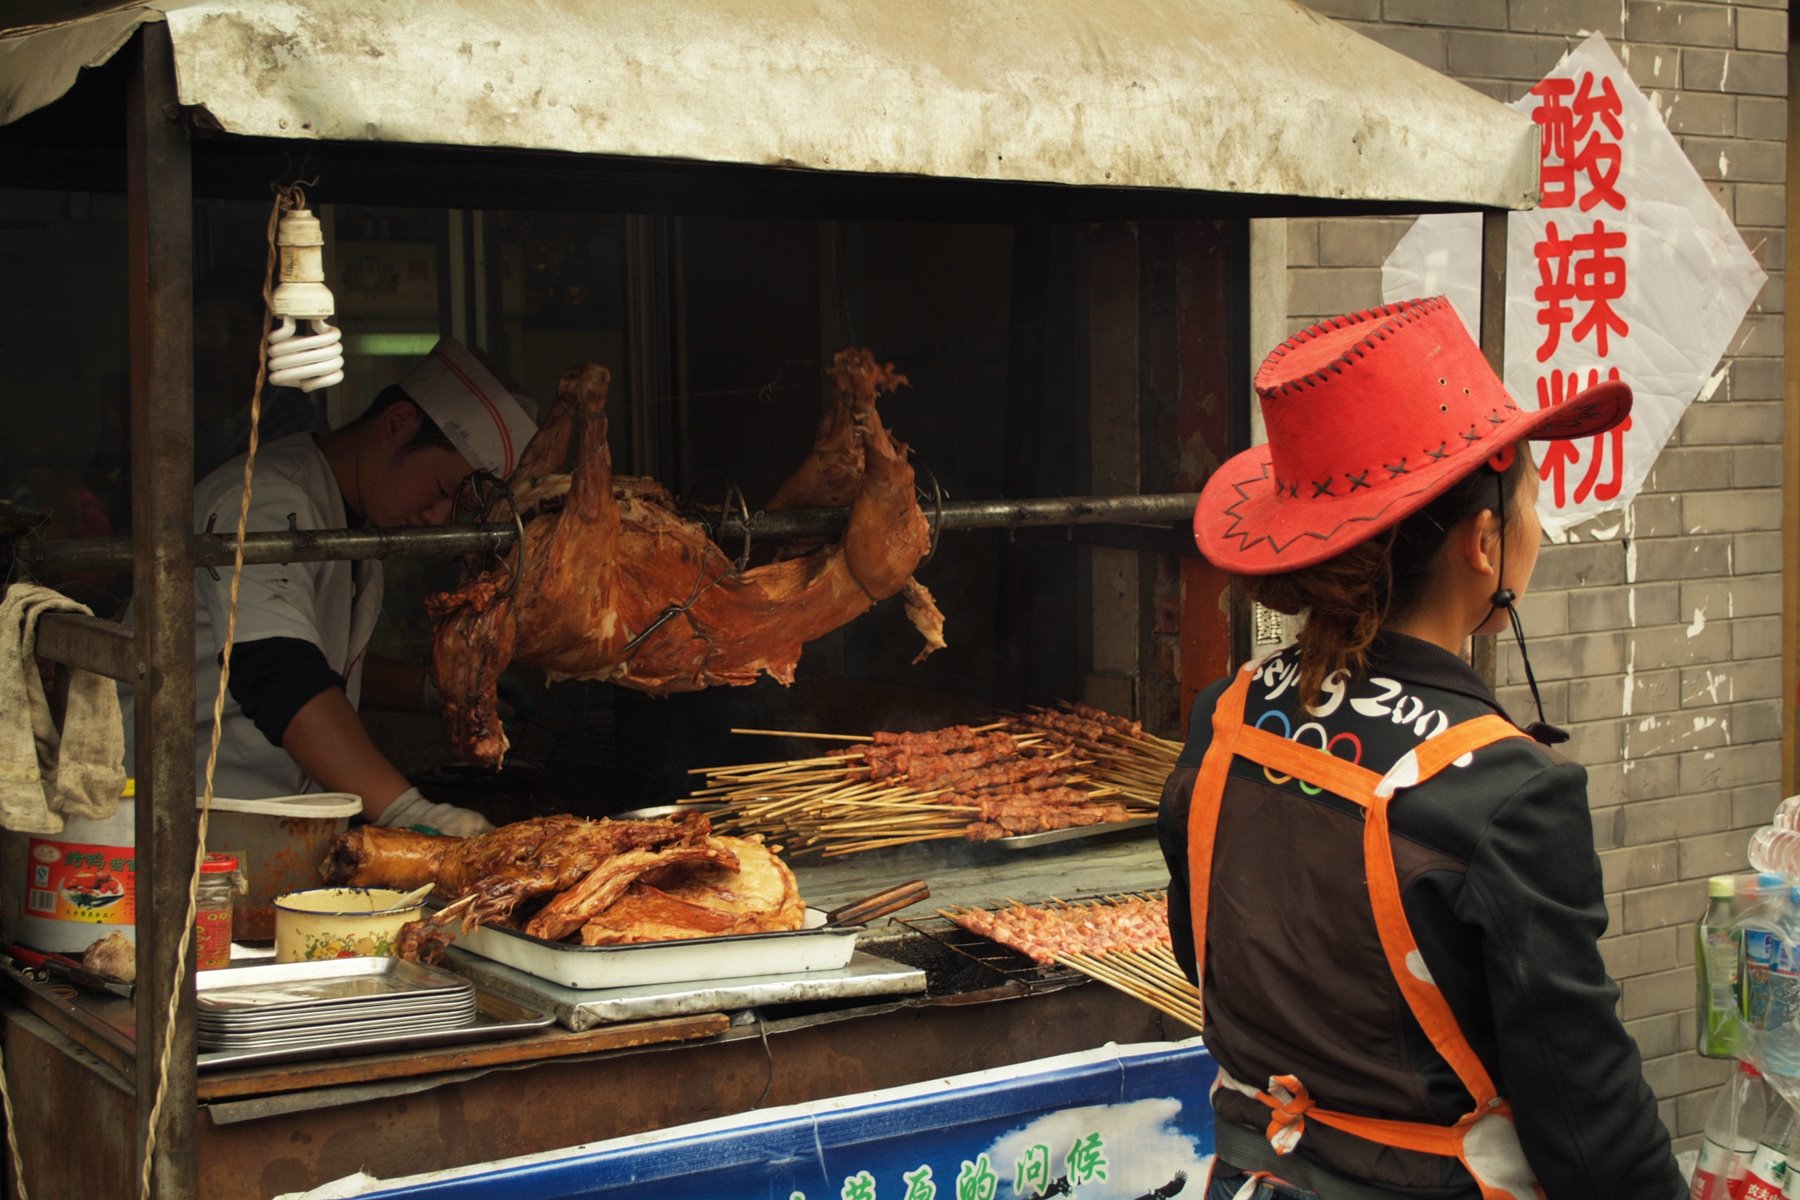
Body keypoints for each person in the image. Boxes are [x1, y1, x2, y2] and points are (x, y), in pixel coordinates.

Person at [1161, 297, 1683, 1200]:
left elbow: (1201, 952)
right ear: (1484, 545)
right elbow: (1586, 1119)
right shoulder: (1507, 794)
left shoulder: (1226, 718)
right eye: (1531, 506)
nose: (1537, 528)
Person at [125, 337, 537, 836]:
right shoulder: (266, 503)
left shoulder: (352, 515)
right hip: (186, 817)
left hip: (265, 819)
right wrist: (407, 811)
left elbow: (322, 661)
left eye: (459, 509)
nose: (438, 517)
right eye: (442, 490)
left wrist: (432, 689)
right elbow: (278, 672)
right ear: (397, 423)